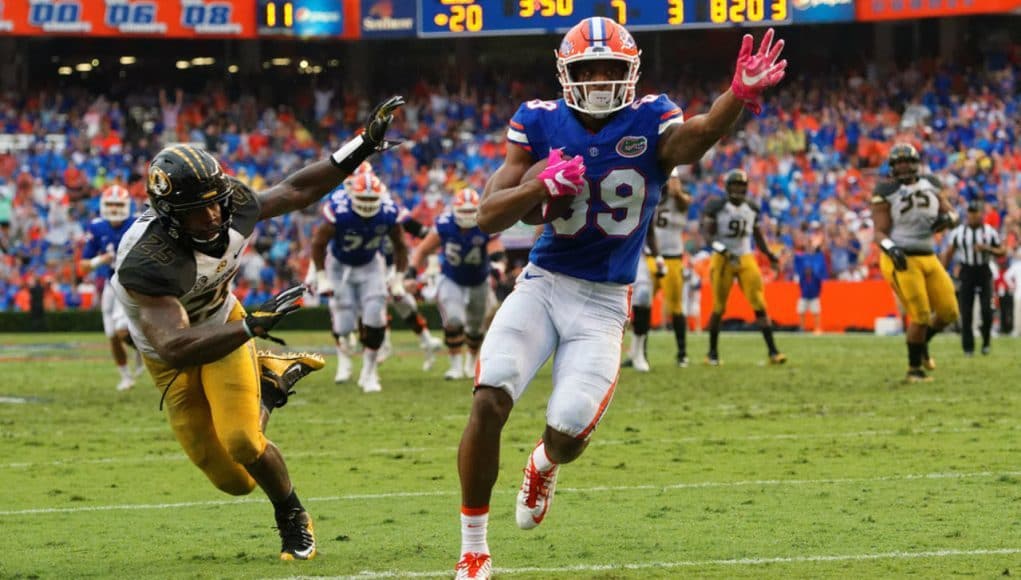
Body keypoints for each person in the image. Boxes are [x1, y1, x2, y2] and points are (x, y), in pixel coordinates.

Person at [453, 18, 786, 580]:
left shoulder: (651, 117)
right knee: (489, 397)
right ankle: (474, 547)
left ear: (632, 73)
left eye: (612, 69)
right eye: (590, 69)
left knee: (568, 432)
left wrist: (738, 96)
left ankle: (542, 463)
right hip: (544, 285)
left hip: (605, 301)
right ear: (567, 74)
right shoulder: (538, 120)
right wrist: (541, 186)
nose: (602, 80)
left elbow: (699, 135)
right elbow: (487, 215)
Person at [111, 95, 405, 560]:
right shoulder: (147, 261)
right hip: (175, 356)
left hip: (223, 325)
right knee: (233, 481)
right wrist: (251, 327)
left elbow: (296, 190)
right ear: (169, 214)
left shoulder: (230, 205)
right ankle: (269, 387)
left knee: (244, 441)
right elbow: (174, 346)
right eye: (195, 210)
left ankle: (292, 517)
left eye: (215, 204)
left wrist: (361, 147)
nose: (211, 217)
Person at [311, 170, 409, 393]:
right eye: (362, 199)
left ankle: (369, 371)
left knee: (375, 315)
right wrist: (321, 276)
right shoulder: (340, 211)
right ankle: (346, 354)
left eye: (371, 199)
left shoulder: (387, 212)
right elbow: (318, 244)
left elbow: (401, 246)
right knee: (344, 325)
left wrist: (398, 278)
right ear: (351, 196)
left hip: (370, 264)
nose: (367, 204)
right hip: (339, 266)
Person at [872, 143, 959, 383]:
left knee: (949, 311)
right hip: (902, 258)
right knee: (920, 315)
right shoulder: (885, 189)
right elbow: (879, 232)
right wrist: (891, 248)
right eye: (898, 162)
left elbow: (951, 212)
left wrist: (948, 218)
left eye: (906, 161)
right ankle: (913, 370)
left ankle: (921, 347)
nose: (903, 166)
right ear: (892, 166)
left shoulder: (931, 183)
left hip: (928, 255)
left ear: (915, 162)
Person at [410, 188, 505, 380]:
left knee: (476, 327)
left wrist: (498, 266)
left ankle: (471, 362)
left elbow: (497, 250)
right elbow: (423, 249)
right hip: (451, 278)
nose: (468, 217)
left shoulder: (486, 223)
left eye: (472, 212)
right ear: (454, 210)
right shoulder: (445, 224)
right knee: (453, 321)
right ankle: (455, 366)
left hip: (479, 280)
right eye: (464, 212)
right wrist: (412, 271)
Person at [700, 169, 786, 366]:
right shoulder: (717, 206)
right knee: (719, 307)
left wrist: (769, 254)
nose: (738, 189)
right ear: (728, 187)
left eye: (741, 185)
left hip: (745, 257)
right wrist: (724, 252)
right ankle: (712, 353)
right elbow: (708, 236)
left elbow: (757, 235)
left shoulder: (752, 208)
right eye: (735, 185)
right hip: (723, 258)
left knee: (759, 303)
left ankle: (773, 352)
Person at [625, 166, 692, 370]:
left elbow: (684, 202)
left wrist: (676, 190)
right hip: (651, 257)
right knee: (642, 301)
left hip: (673, 258)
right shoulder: (651, 194)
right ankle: (639, 353)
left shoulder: (680, 199)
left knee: (675, 306)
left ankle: (682, 354)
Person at [79, 184, 141, 391]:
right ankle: (125, 376)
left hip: (130, 282)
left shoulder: (137, 224)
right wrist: (101, 260)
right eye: (111, 204)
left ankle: (142, 348)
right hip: (109, 283)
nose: (114, 208)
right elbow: (83, 265)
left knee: (123, 330)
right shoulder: (97, 227)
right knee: (112, 335)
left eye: (118, 204)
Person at [941, 200, 1004, 355]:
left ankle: (986, 342)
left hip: (984, 272)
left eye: (975, 213)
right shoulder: (959, 232)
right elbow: (949, 252)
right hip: (967, 272)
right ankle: (968, 348)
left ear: (981, 214)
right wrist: (942, 271)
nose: (972, 216)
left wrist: (987, 249)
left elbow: (1002, 251)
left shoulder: (989, 232)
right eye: (970, 213)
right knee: (966, 312)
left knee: (987, 310)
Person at [793, 229, 828, 334]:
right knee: (801, 310)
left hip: (814, 289)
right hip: (804, 289)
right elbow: (798, 266)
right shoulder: (802, 257)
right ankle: (802, 327)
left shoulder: (818, 257)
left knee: (816, 310)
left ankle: (817, 328)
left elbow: (819, 271)